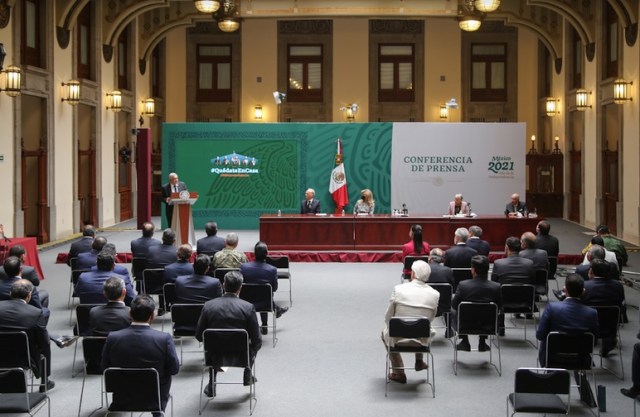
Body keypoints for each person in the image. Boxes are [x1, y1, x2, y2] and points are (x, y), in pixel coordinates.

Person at [101, 295, 180, 415]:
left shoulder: (113, 337)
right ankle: (157, 412)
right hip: (155, 398)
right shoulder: (164, 339)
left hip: (122, 397)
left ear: (130, 313)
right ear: (152, 316)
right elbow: (174, 369)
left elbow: (104, 367)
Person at [196, 271, 261, 396]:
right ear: (240, 288)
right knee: (255, 341)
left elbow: (199, 335)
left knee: (211, 344)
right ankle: (247, 372)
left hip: (214, 356)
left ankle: (212, 383)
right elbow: (257, 340)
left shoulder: (208, 306)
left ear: (223, 285)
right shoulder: (248, 307)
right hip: (242, 356)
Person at [382, 260, 439, 384]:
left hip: (397, 337)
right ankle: (419, 360)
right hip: (421, 339)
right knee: (422, 325)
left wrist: (389, 327)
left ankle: (399, 372)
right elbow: (431, 318)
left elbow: (388, 317)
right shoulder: (435, 294)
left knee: (384, 332)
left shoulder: (399, 289)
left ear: (413, 274)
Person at [0, 279, 54, 392]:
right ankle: (44, 381)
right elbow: (43, 343)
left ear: (10, 293)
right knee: (46, 343)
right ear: (29, 295)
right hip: (24, 358)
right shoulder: (35, 313)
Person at [536, 273, 598, 367]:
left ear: (564, 290)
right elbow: (594, 342)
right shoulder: (592, 313)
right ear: (583, 291)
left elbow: (540, 335)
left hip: (552, 359)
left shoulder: (552, 308)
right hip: (580, 360)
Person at [450, 255, 501, 351]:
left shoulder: (463, 285)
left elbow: (454, 305)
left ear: (473, 270)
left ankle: (464, 340)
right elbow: (500, 307)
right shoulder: (496, 287)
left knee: (454, 310)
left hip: (465, 326)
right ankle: (482, 341)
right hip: (489, 326)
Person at [240, 241, 289, 334]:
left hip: (245, 302)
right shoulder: (272, 269)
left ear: (254, 253)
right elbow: (274, 288)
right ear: (266, 254)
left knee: (261, 293)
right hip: (265, 303)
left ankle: (248, 326)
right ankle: (265, 325)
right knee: (265, 293)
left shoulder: (243, 267)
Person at [581, 258, 625, 356]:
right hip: (610, 327)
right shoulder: (618, 286)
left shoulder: (585, 286)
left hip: (587, 327)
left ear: (591, 271)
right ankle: (608, 342)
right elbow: (621, 302)